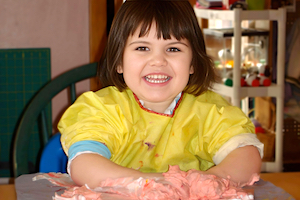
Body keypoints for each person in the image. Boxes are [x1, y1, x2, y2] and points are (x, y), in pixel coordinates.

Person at [58, 0, 263, 188]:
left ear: (192, 63)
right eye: (142, 48)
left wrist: (209, 182)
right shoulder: (103, 110)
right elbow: (84, 163)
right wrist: (152, 184)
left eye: (173, 49)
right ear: (119, 61)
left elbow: (246, 156)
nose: (158, 61)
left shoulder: (209, 112)